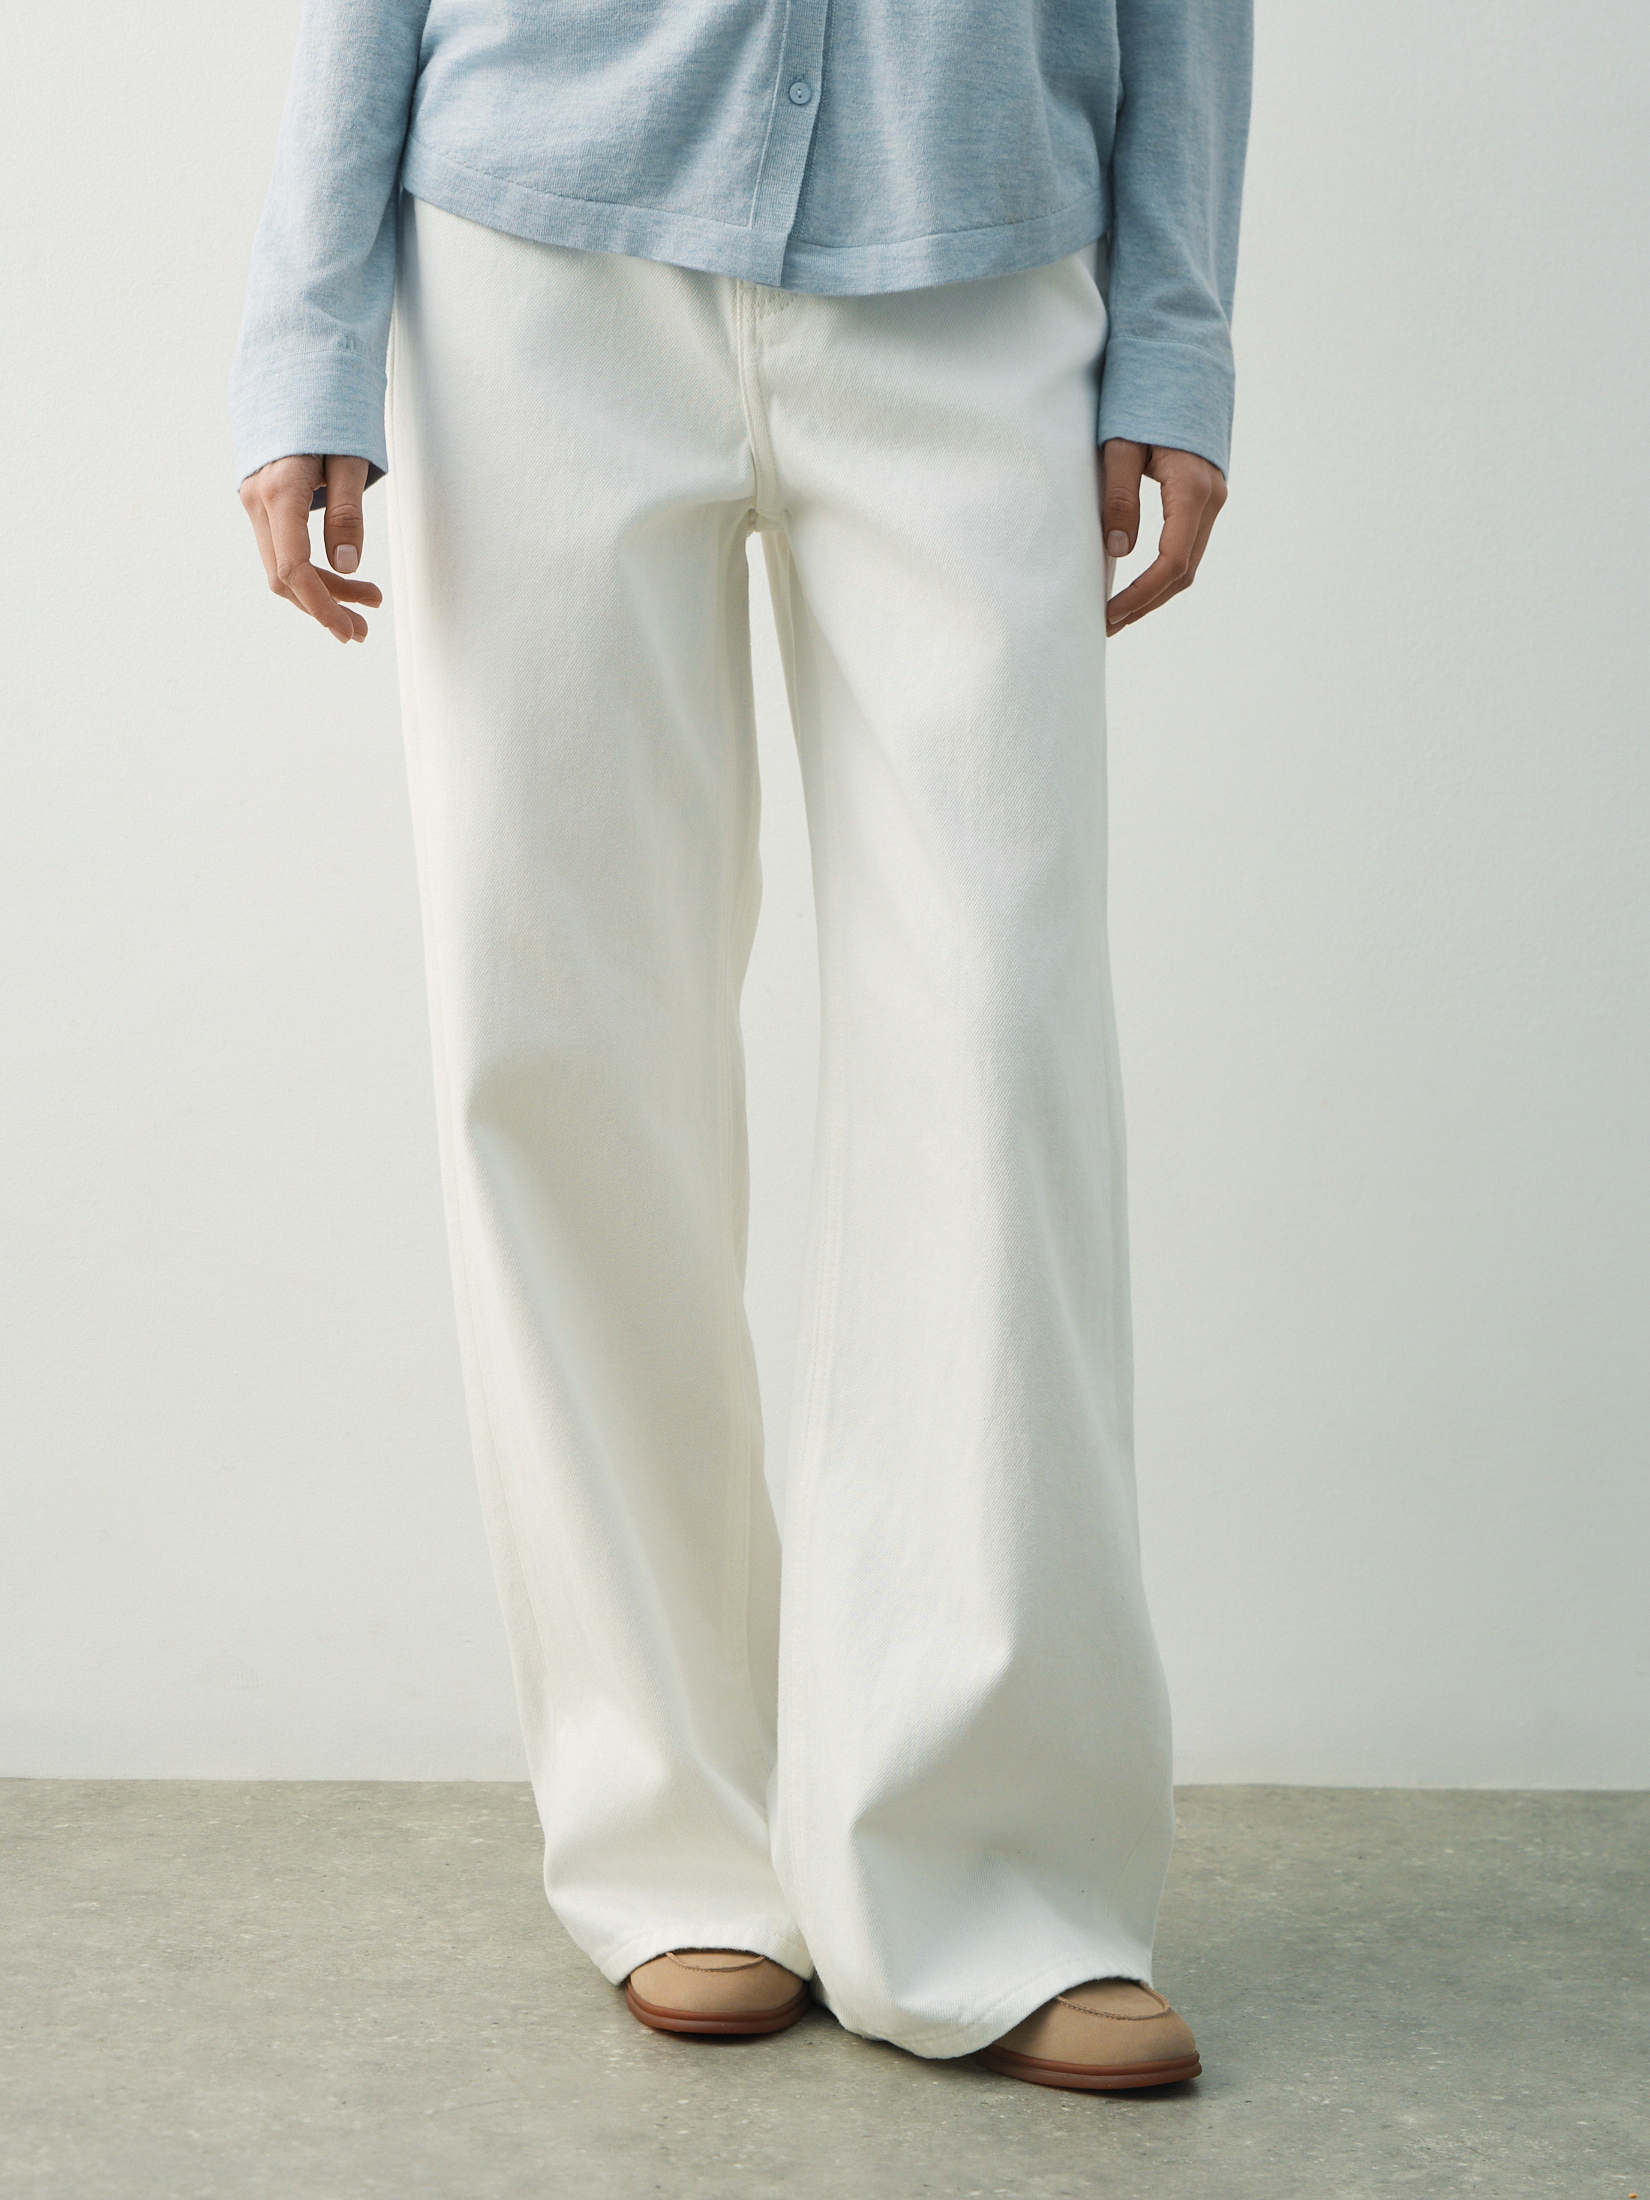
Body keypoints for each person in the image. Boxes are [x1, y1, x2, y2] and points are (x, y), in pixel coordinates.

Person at [229, 0, 1251, 2093]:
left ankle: (990, 1874)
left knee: (996, 1049)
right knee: (562, 1050)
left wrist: (1173, 327)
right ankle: (668, 1835)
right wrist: (306, 329)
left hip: (980, 243)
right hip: (536, 257)